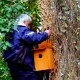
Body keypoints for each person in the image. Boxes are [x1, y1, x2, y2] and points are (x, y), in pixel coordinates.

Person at [3, 14, 51, 80]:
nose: (28, 27)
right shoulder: (21, 30)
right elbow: (34, 38)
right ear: (24, 21)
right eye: (28, 24)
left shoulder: (10, 31)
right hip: (23, 63)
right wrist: (45, 34)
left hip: (12, 65)